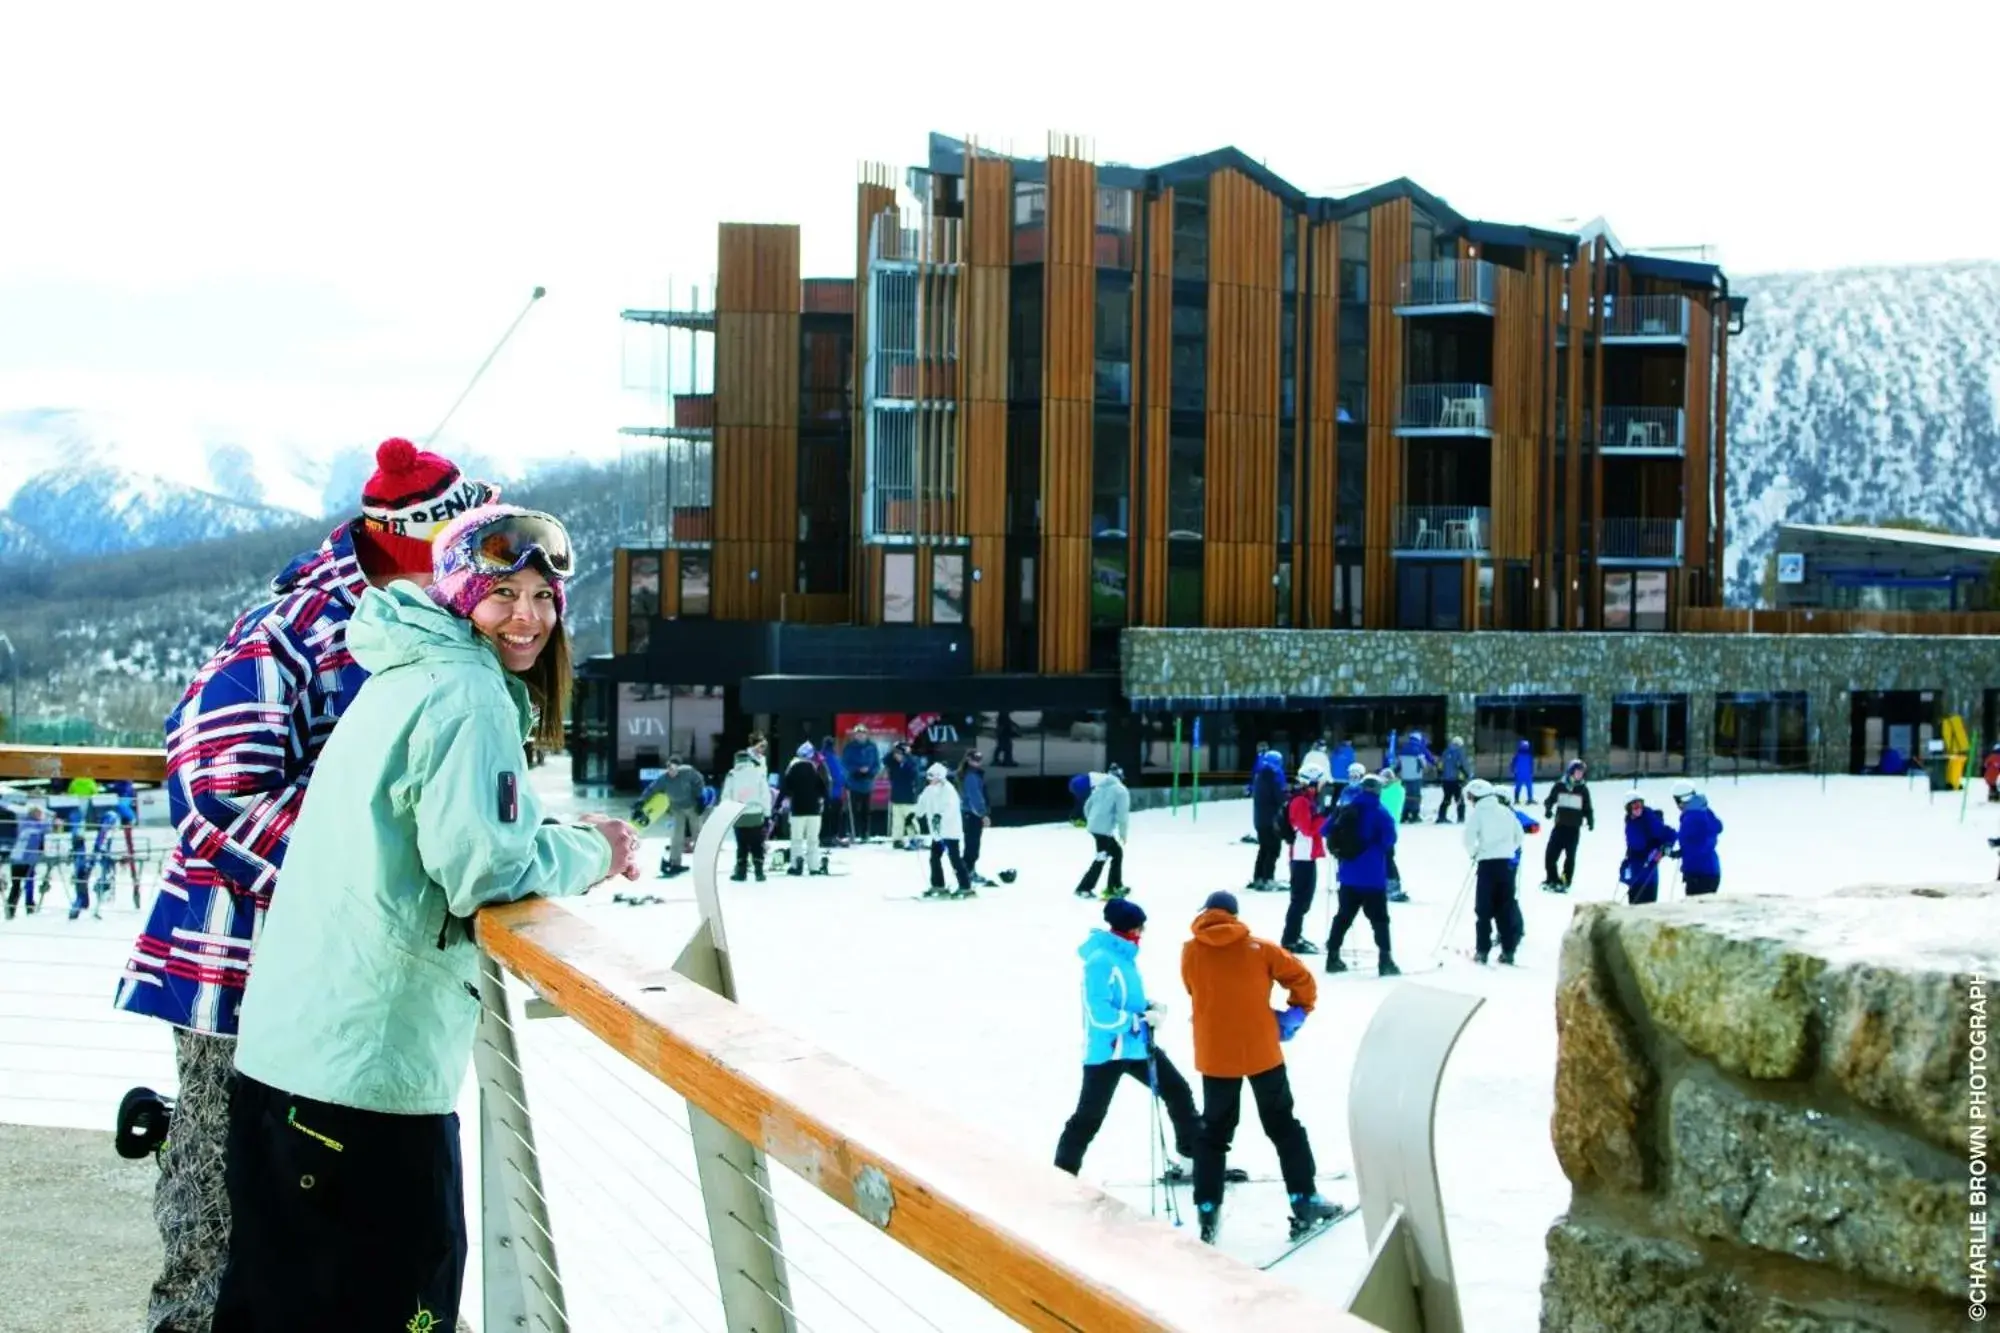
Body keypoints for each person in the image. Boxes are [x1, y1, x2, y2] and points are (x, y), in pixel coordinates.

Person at [213, 504, 637, 1331]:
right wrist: (594, 851)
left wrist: (544, 835)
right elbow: (482, 868)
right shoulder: (468, 692)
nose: (528, 616)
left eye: (545, 597)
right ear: (459, 593)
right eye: (504, 592)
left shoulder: (405, 668)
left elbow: (448, 829)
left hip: (284, 1061)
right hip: (366, 1080)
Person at [111, 437, 493, 1333]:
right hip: (238, 966)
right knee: (224, 1188)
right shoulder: (298, 630)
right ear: (416, 538)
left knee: (310, 1204)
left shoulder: (406, 618)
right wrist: (350, 876)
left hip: (329, 973)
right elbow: (212, 787)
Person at [1181, 890, 1340, 1245]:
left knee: (1214, 1132)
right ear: (1234, 916)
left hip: (1215, 1054)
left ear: (1206, 913)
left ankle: (1207, 1207)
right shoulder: (1261, 949)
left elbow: (1193, 989)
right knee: (1283, 1125)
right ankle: (1305, 1198)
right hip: (1261, 1050)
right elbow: (1303, 979)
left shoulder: (1190, 950)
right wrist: (1296, 1013)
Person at [1053, 898, 1203, 1177]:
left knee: (1178, 1092)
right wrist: (1137, 1021)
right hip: (1107, 1052)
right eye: (1139, 927)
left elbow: (1127, 999)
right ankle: (1062, 1175)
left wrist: (1150, 1006)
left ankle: (1193, 1161)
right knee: (1089, 1117)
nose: (1142, 933)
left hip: (1136, 1047)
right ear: (1128, 928)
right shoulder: (1100, 961)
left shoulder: (1124, 956)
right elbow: (1099, 1012)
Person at [1324, 774, 1399, 975]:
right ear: (1378, 790)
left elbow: (1325, 830)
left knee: (1343, 917)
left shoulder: (1346, 809)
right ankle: (1385, 960)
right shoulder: (1381, 813)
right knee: (1380, 920)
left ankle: (1332, 957)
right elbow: (1389, 840)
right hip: (1373, 876)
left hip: (1348, 874)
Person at [1463, 779, 1525, 965]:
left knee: (1483, 910)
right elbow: (1519, 836)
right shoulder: (1506, 811)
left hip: (1487, 866)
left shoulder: (1478, 814)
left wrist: (1475, 853)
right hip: (1506, 865)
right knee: (1505, 909)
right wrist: (1508, 850)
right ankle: (1508, 951)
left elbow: (1468, 839)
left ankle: (1482, 950)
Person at [635, 754, 705, 878]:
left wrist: (699, 797)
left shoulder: (689, 772)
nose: (671, 771)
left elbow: (699, 782)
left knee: (697, 834)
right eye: (668, 768)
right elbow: (652, 789)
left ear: (679, 767)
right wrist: (641, 801)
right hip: (677, 808)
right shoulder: (664, 779)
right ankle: (675, 863)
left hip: (691, 807)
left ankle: (704, 863)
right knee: (677, 837)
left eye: (673, 768)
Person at [1280, 775, 1327, 955]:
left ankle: (1294, 935)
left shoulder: (1306, 800)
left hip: (1306, 855)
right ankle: (1290, 939)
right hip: (1301, 855)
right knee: (1300, 900)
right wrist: (1323, 817)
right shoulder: (1300, 801)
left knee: (1304, 900)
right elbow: (1307, 829)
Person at [1073, 764, 1131, 899]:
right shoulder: (1120, 791)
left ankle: (1114, 885)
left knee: (1115, 853)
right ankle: (1087, 888)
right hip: (1104, 829)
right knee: (1105, 856)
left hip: (1095, 828)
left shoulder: (1099, 788)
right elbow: (1122, 815)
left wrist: (1091, 821)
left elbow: (1087, 806)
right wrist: (1123, 833)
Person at [915, 762, 971, 898]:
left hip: (950, 832)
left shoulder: (948, 790)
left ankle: (965, 886)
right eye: (928, 777)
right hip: (937, 833)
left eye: (932, 777)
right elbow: (921, 803)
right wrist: (915, 814)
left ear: (939, 776)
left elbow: (950, 808)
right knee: (934, 858)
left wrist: (940, 816)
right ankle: (938, 884)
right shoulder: (928, 790)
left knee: (954, 858)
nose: (929, 780)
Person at [1540, 760, 1595, 893]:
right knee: (1550, 855)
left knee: (1570, 857)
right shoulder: (1560, 786)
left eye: (1582, 773)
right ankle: (1552, 878)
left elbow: (1587, 807)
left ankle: (1565, 880)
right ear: (1571, 772)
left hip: (1573, 829)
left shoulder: (1583, 789)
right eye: (1577, 772)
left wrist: (1590, 820)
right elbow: (1550, 800)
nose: (1579, 775)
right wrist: (1548, 810)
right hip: (1559, 827)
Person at [722, 749, 772, 882]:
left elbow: (726, 796)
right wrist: (767, 814)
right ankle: (759, 872)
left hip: (739, 815)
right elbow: (765, 795)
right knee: (757, 844)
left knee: (741, 845)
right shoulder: (758, 773)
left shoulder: (732, 775)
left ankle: (741, 873)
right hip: (756, 814)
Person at [780, 743, 830, 877]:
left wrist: (778, 805)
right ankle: (814, 866)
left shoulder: (792, 769)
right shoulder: (814, 769)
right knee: (813, 840)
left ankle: (796, 865)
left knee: (796, 840)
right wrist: (826, 802)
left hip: (797, 810)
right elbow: (823, 788)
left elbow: (785, 788)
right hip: (814, 810)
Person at [1619, 794, 1677, 905]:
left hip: (1647, 873)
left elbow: (1669, 833)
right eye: (1634, 807)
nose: (1638, 809)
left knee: (1646, 907)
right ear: (1628, 808)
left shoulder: (1649, 819)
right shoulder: (1630, 822)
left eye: (1640, 806)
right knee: (1634, 906)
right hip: (1635, 871)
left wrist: (1664, 846)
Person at [1670, 780, 1723, 896]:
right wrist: (1681, 852)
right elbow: (1699, 840)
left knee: (1696, 911)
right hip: (1710, 869)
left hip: (1699, 873)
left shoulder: (1692, 817)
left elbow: (1695, 841)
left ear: (1681, 800)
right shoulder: (1703, 810)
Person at [1248, 747, 1289, 892]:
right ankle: (1268, 878)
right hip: (1271, 819)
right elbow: (1279, 797)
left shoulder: (1260, 775)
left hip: (1260, 819)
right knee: (1273, 849)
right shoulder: (1273, 776)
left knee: (1264, 848)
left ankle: (1258, 877)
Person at [958, 749, 996, 887]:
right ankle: (966, 872)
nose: (978, 762)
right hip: (972, 815)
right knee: (972, 846)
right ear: (968, 759)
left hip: (971, 814)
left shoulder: (972, 774)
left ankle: (968, 871)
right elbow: (975, 797)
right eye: (975, 759)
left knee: (972, 845)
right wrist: (983, 814)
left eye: (979, 759)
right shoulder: (971, 776)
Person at [5, 804, 49, 919]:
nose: (40, 816)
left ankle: (17, 907)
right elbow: (43, 828)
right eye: (38, 814)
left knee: (21, 884)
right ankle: (22, 907)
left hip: (22, 859)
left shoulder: (25, 824)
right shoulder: (31, 825)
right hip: (23, 859)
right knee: (23, 884)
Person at [839, 725, 880, 842]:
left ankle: (865, 834)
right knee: (852, 810)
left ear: (866, 734)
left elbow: (877, 764)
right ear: (855, 735)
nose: (860, 735)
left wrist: (870, 772)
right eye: (858, 733)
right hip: (854, 783)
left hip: (867, 783)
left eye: (862, 733)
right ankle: (852, 832)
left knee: (866, 811)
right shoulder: (850, 747)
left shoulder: (872, 747)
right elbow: (845, 764)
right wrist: (856, 770)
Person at [1377, 768, 1409, 901]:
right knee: (1384, 858)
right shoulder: (1395, 790)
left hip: (1385, 831)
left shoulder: (1393, 791)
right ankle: (1386, 885)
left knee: (1387, 858)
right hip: (1385, 830)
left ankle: (1392, 886)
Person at [887, 741, 924, 850]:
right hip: (896, 797)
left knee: (911, 820)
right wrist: (895, 748)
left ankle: (915, 838)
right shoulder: (894, 764)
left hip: (909, 797)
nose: (897, 756)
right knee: (897, 821)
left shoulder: (911, 762)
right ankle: (897, 840)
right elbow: (886, 760)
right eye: (895, 754)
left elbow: (915, 776)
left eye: (899, 754)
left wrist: (907, 754)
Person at [1395, 733, 1435, 824]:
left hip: (1405, 776)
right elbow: (1424, 762)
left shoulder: (1403, 748)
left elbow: (1398, 764)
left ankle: (1405, 814)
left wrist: (1396, 771)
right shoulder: (1419, 748)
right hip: (1416, 776)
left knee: (1407, 795)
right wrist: (1428, 768)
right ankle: (1414, 815)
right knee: (1416, 796)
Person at [817, 736, 847, 851]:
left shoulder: (824, 757)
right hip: (831, 792)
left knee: (829, 816)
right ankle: (828, 837)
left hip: (830, 792)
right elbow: (837, 774)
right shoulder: (828, 757)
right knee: (830, 816)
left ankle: (828, 836)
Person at [1436, 736, 1471, 824]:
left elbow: (1440, 765)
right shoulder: (1460, 752)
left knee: (1446, 798)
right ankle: (1461, 818)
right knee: (1459, 799)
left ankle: (1441, 817)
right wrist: (1467, 775)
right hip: (1456, 780)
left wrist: (1440, 774)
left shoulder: (1445, 752)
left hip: (1445, 780)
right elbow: (1463, 764)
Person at [1511, 739, 1536, 804]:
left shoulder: (1525, 755)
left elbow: (1531, 764)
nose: (1525, 747)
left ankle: (1527, 799)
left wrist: (1513, 770)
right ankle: (1521, 799)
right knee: (1525, 787)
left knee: (1525, 787)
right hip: (1524, 774)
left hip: (1523, 774)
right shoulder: (1520, 755)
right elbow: (1531, 764)